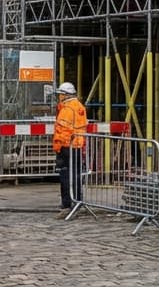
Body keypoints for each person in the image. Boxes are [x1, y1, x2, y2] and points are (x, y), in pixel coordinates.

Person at [52, 81, 87, 218]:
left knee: (65, 176)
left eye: (60, 94)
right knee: (76, 176)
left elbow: (62, 131)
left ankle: (67, 205)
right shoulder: (79, 107)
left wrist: (57, 146)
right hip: (77, 145)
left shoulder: (67, 109)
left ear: (66, 95)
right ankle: (77, 201)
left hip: (66, 146)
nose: (59, 96)